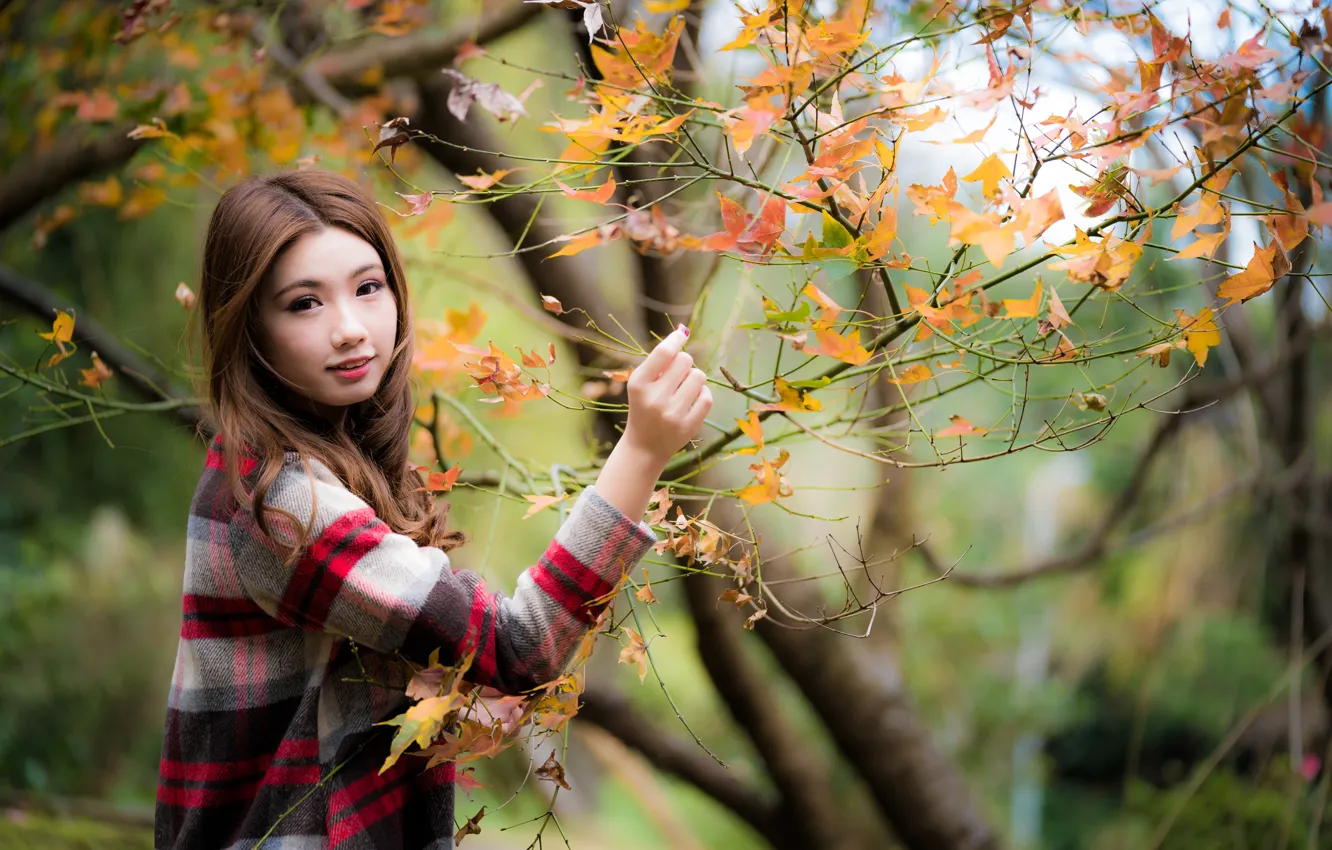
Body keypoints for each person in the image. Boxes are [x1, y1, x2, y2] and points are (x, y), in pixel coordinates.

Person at [154, 169, 712, 849]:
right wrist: (642, 451)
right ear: (250, 327)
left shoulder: (302, 464)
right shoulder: (284, 506)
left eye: (368, 287)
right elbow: (517, 647)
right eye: (304, 304)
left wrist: (450, 697)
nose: (351, 329)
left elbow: (336, 687)